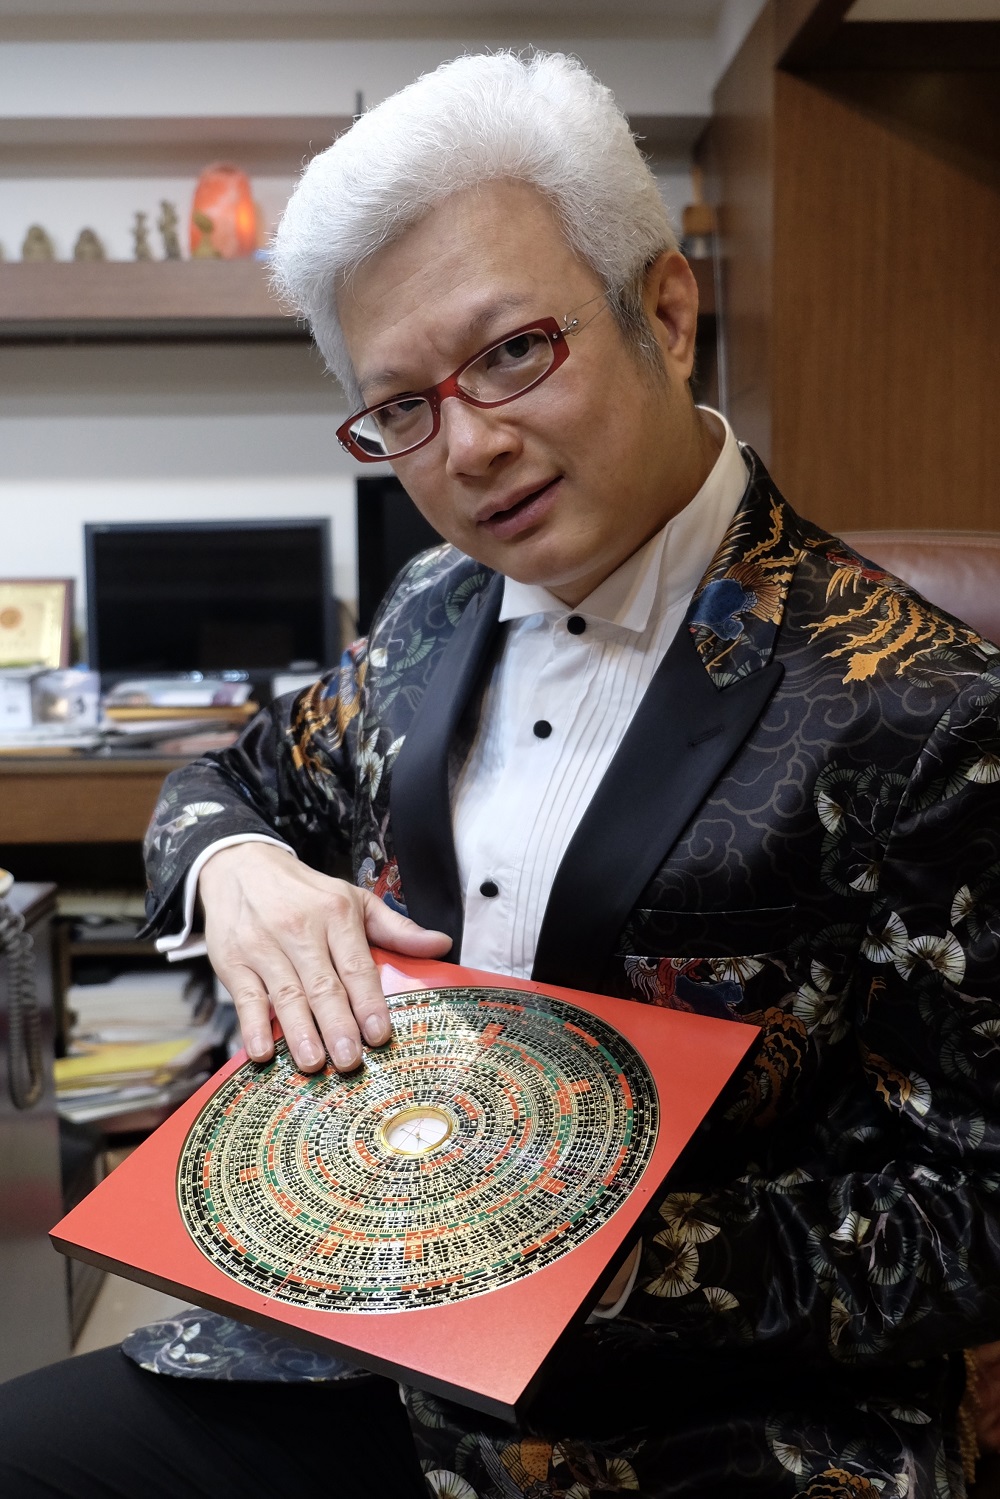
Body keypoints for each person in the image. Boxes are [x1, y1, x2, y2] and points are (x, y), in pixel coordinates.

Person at [4, 49, 1000, 1499]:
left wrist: (578, 1261)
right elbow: (230, 776)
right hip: (363, 1359)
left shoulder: (922, 707)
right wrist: (245, 873)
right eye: (401, 407)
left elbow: (976, 1207)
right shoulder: (424, 613)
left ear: (665, 309)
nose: (468, 446)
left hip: (705, 1419)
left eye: (513, 352)